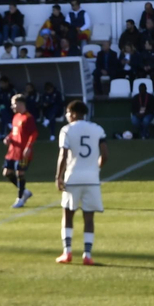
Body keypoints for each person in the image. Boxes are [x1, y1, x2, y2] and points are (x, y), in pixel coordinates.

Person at [54, 100, 108, 265]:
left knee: (68, 214)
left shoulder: (67, 130)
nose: (67, 116)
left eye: (68, 113)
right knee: (89, 217)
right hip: (92, 179)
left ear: (74, 113)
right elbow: (105, 155)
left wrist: (58, 176)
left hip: (73, 177)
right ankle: (87, 254)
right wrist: (95, 168)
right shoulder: (97, 129)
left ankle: (67, 252)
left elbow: (63, 155)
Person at [2, 94, 38, 208]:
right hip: (13, 151)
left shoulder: (28, 118)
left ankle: (20, 199)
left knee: (20, 173)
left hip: (23, 152)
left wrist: (29, 146)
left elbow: (34, 133)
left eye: (13, 104)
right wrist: (8, 137)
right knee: (6, 173)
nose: (12, 106)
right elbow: (14, 131)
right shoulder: (16, 117)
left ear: (20, 104)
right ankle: (25, 192)